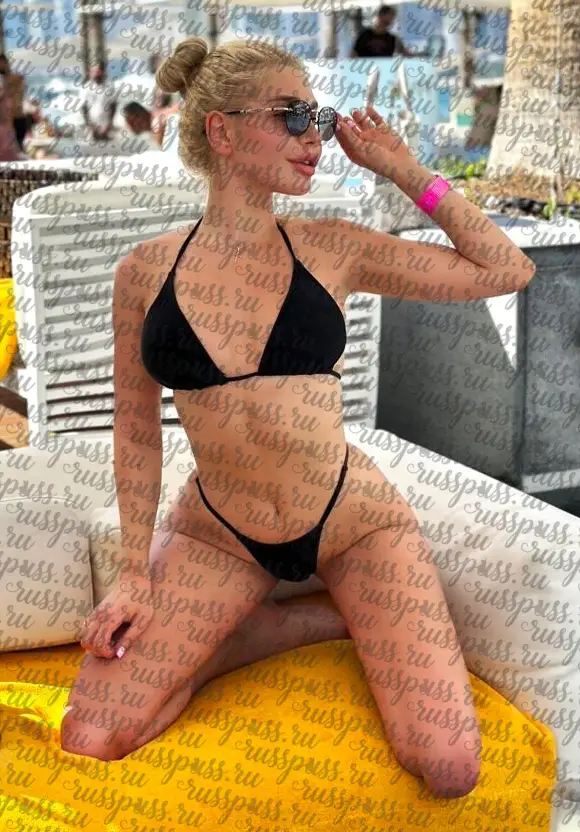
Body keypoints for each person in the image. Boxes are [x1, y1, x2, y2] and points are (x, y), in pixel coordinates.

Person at [61, 36, 536, 799]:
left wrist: (404, 169)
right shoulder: (144, 272)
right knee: (89, 737)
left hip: (353, 521)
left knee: (450, 769)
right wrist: (131, 576)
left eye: (318, 118)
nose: (314, 137)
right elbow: (136, 431)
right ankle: (265, 630)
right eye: (291, 116)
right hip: (220, 532)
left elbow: (507, 269)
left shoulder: (332, 248)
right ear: (222, 131)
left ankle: (293, 617)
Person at [351, 5, 430, 58]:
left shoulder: (393, 38)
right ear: (381, 15)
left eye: (393, 16)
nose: (392, 19)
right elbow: (353, 55)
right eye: (391, 15)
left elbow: (407, 54)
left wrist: (424, 53)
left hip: (385, 72)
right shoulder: (364, 35)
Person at [80, 62, 117, 140]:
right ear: (90, 72)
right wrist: (89, 125)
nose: (96, 74)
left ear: (103, 72)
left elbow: (113, 105)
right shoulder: (86, 88)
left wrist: (110, 123)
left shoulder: (110, 86)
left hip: (106, 124)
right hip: (92, 125)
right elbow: (83, 107)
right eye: (94, 72)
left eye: (98, 71)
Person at [0, 54, 27, 150]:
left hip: (16, 119)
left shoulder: (15, 78)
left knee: (17, 149)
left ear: (5, 63)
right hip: (10, 121)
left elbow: (17, 94)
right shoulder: (8, 79)